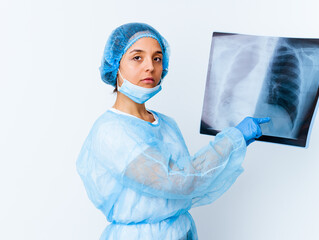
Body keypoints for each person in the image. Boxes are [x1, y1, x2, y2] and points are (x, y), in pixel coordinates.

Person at [76, 22, 270, 240]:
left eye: (157, 58)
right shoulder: (110, 131)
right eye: (137, 57)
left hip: (181, 230)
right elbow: (175, 181)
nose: (150, 66)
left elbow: (189, 177)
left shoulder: (166, 124)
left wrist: (236, 142)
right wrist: (233, 140)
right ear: (116, 65)